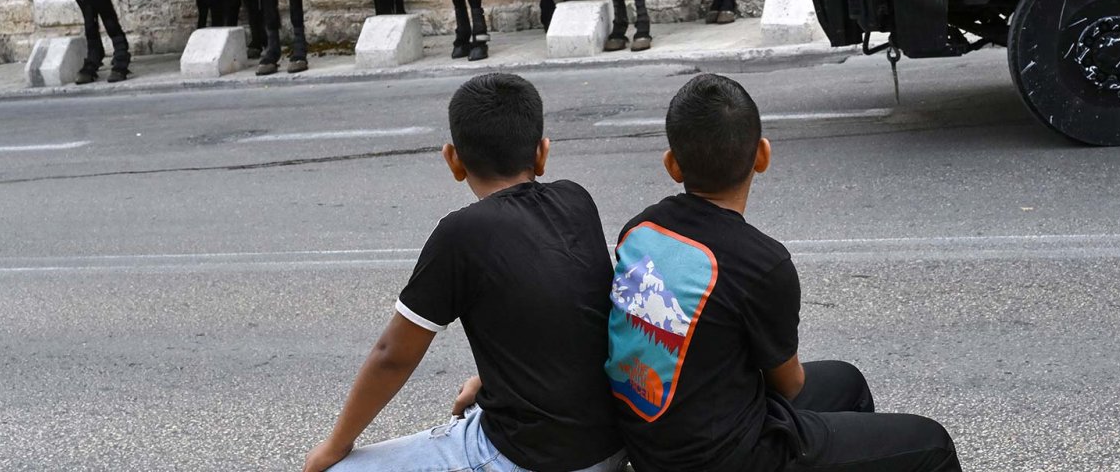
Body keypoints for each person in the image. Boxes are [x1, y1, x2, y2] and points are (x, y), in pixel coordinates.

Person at [606, 73, 962, 472]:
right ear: (762, 155)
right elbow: (790, 384)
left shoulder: (639, 230)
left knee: (848, 382)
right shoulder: (761, 262)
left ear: (672, 164)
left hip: (653, 442)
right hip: (724, 457)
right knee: (933, 444)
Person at [303, 73, 625, 472]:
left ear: (453, 160)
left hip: (532, 457)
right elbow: (573, 314)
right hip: (610, 445)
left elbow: (392, 356)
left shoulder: (461, 233)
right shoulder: (576, 200)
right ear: (542, 154)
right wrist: (490, 382)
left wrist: (334, 447)